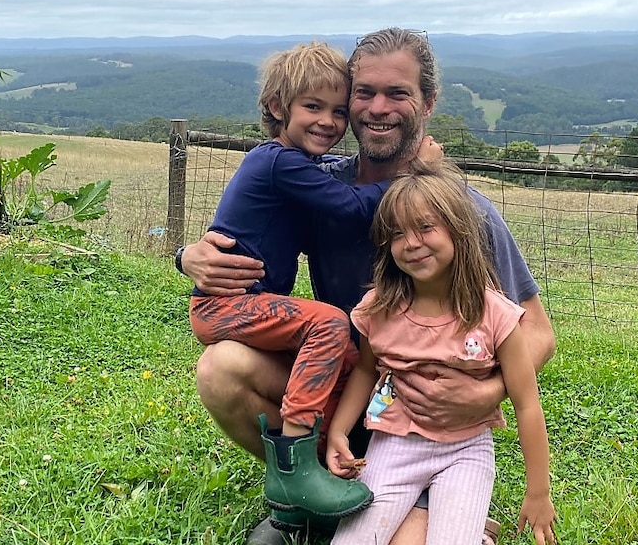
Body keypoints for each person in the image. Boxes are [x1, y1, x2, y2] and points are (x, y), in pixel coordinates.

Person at [180, 27, 556, 544]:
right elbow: (249, 222)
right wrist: (187, 257)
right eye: (365, 93)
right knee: (222, 368)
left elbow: (538, 331)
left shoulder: (462, 213)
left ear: (427, 102)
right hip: (349, 390)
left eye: (398, 93)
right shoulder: (320, 185)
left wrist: (484, 393)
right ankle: (304, 486)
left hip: (425, 418)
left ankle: (424, 505)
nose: (379, 108)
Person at [187, 40, 443, 519]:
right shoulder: (285, 164)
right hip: (226, 305)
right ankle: (298, 470)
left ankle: (341, 470)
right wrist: (188, 256)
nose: (328, 121)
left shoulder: (301, 169)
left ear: (427, 104)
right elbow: (349, 206)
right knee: (328, 323)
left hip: (418, 400)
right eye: (313, 107)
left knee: (344, 350)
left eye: (338, 110)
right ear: (276, 107)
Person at [325, 163, 556, 545]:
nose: (411, 243)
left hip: (466, 451)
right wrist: (338, 430)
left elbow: (527, 404)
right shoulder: (379, 308)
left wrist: (538, 492)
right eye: (397, 234)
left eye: (426, 228)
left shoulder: (496, 314)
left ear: (459, 231)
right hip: (393, 445)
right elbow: (366, 371)